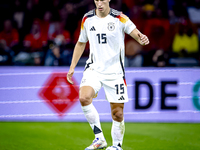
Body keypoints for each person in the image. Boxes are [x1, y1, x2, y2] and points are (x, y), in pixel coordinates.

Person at [67, 0, 149, 149]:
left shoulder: (120, 18)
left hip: (115, 73)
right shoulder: (87, 18)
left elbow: (136, 34)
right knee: (84, 97)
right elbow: (80, 43)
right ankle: (99, 138)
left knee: (118, 113)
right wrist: (72, 66)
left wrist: (142, 38)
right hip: (94, 69)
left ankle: (117, 146)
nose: (99, 3)